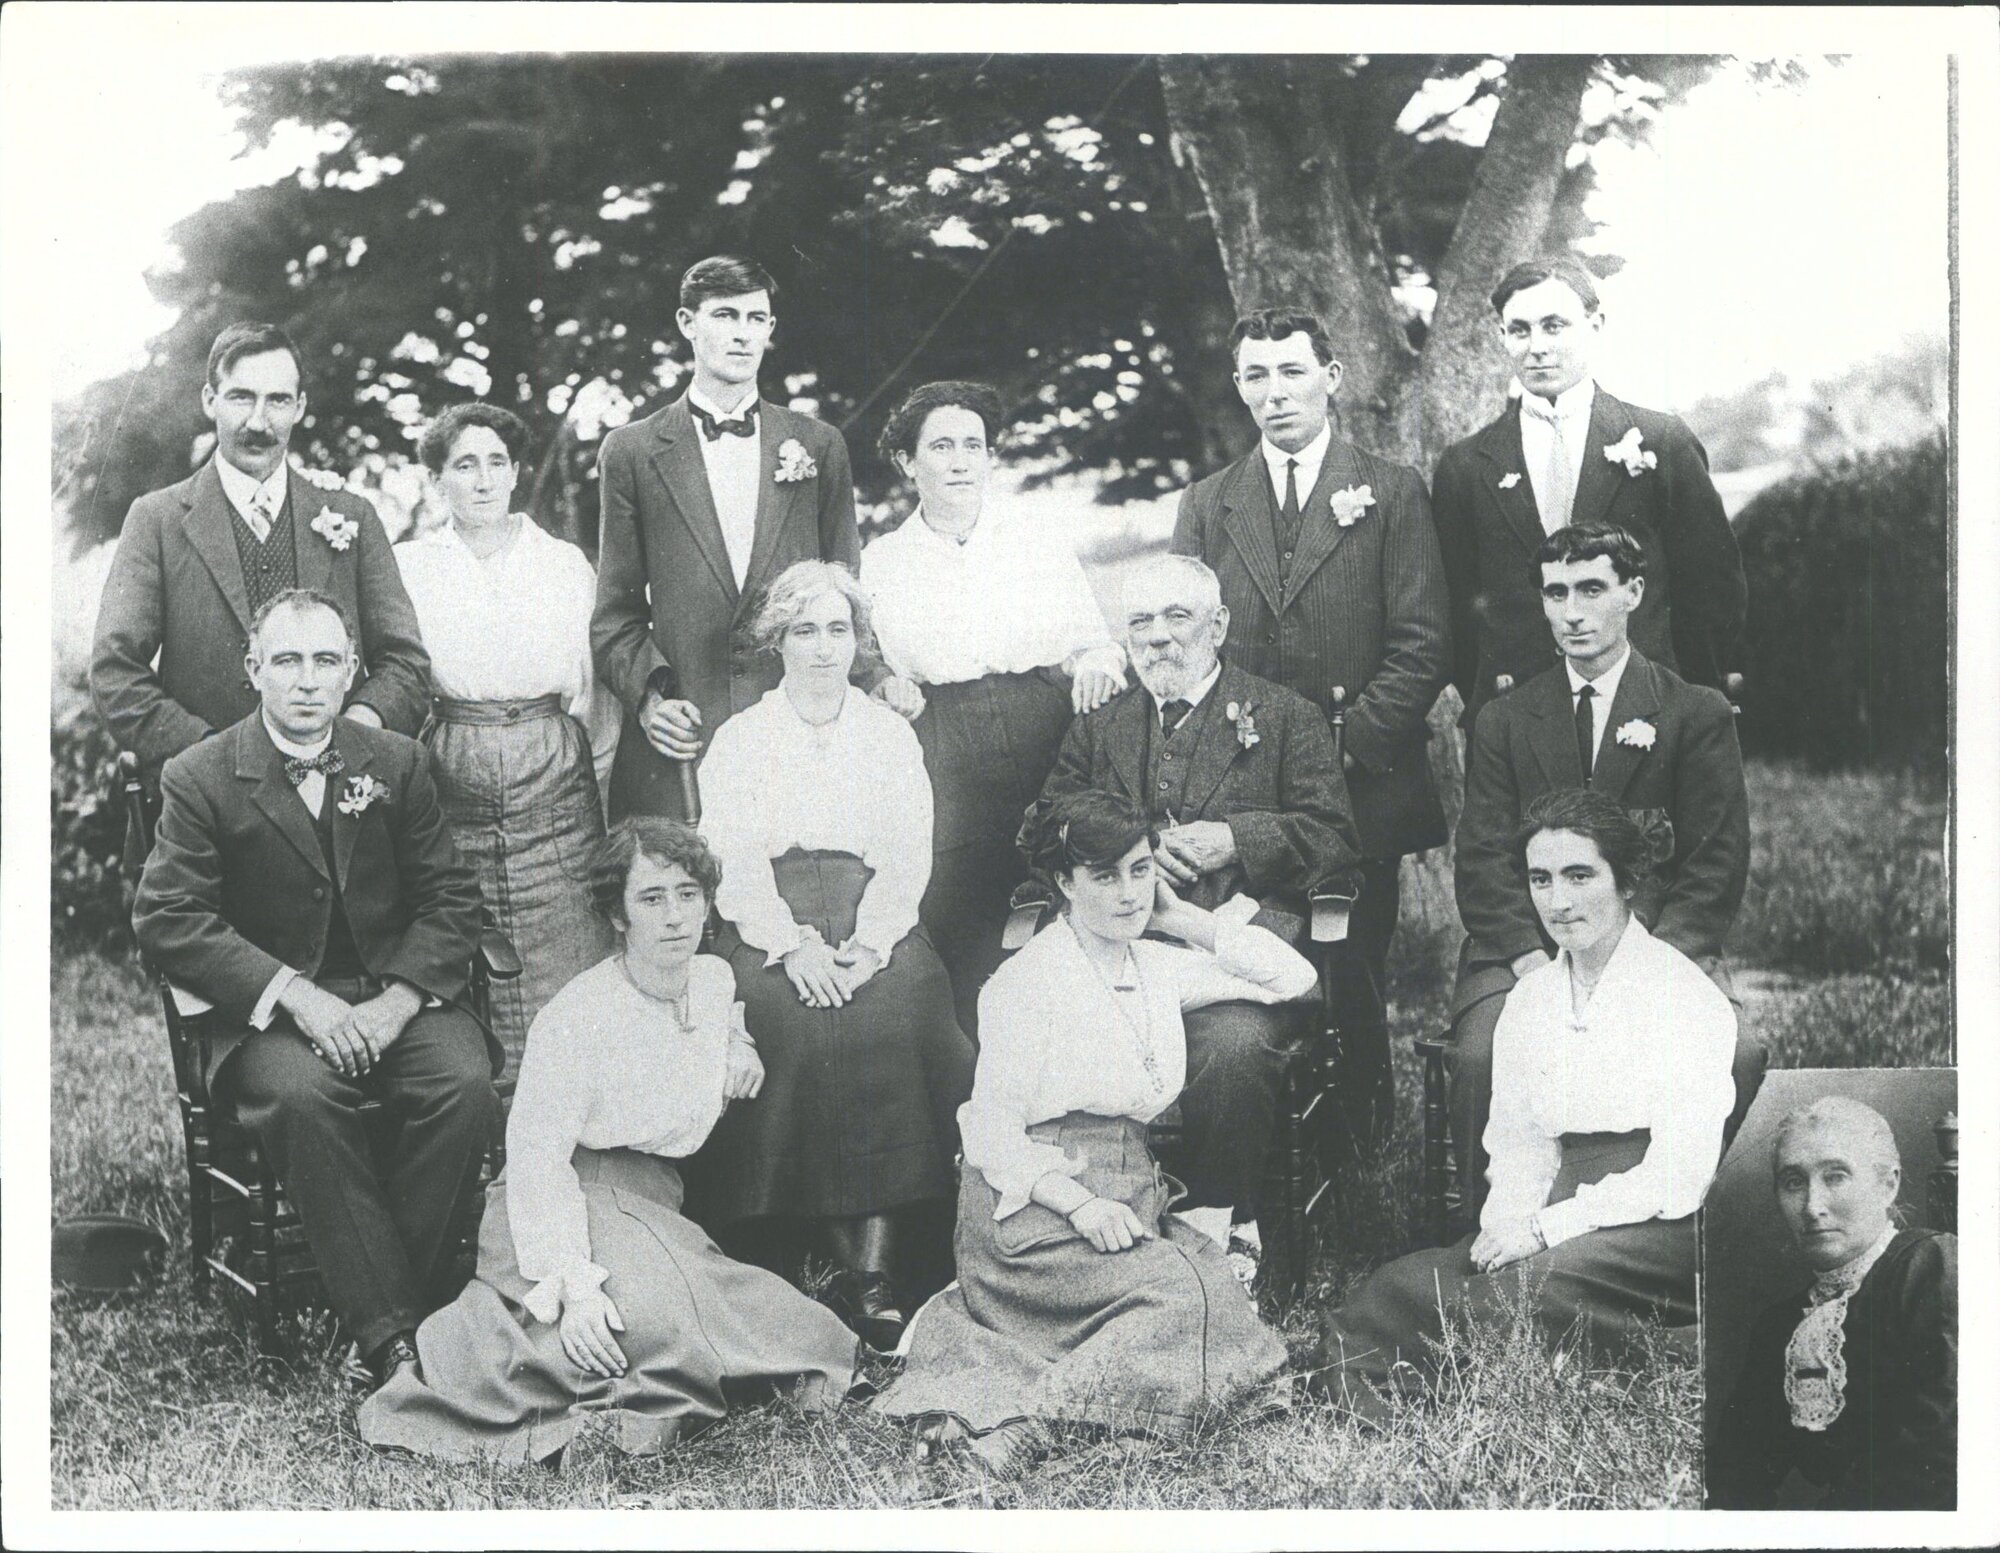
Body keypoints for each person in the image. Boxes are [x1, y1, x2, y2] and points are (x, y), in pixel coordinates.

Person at [358, 820, 862, 1464]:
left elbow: (718, 1018)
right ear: (618, 916)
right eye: (651, 898)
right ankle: (543, 1389)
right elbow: (538, 1160)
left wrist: (741, 1045)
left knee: (798, 1331)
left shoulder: (712, 979)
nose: (674, 916)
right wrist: (577, 1288)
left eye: (687, 894)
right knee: (636, 1325)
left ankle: (665, 1369)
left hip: (653, 1205)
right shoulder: (577, 1017)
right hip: (564, 1199)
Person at [876, 790, 1310, 1479]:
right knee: (1190, 1297)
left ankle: (1058, 1410)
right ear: (1065, 882)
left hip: (1126, 1192)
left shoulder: (1155, 965)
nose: (1129, 893)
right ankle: (1033, 1429)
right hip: (1033, 1204)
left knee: (1211, 1291)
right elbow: (989, 1130)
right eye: (1105, 876)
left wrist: (1183, 919)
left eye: (1140, 870)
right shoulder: (1026, 981)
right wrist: (1080, 1205)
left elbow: (1293, 977)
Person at [133, 588, 496, 1389]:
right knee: (305, 1098)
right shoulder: (200, 775)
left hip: (391, 992)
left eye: (326, 660)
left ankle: (395, 1303)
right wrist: (297, 995)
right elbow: (167, 914)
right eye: (288, 660)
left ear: (353, 671)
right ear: (252, 668)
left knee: (464, 1083)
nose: (307, 680)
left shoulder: (396, 762)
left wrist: (398, 1003)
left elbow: (451, 896)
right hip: (269, 1015)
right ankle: (394, 1339)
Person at [1313, 789, 1738, 1424]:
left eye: (1580, 875)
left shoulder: (1682, 993)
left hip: (1658, 1223)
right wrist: (1510, 1225)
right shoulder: (1531, 998)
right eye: (1541, 879)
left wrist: (1544, 1232)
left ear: (1627, 882)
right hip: (1556, 1206)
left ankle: (1641, 1353)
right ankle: (1503, 1359)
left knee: (1516, 1296)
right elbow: (1519, 1143)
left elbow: (1680, 1173)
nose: (1558, 901)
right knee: (1392, 1292)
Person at [1028, 552, 1359, 1271]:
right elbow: (1044, 825)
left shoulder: (1285, 716)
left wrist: (1237, 838)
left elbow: (1334, 841)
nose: (1158, 637)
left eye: (1177, 616)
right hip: (1123, 949)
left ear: (1219, 625)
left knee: (1230, 1047)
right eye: (1140, 622)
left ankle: (1219, 1224)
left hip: (1239, 954)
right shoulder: (1101, 727)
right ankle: (1094, 1225)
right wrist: (1137, 844)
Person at [1172, 306, 1450, 1142]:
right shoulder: (1209, 502)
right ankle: (1262, 1141)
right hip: (1242, 788)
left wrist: (1336, 752)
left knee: (1349, 963)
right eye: (1257, 375)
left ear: (1331, 377)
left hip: (1362, 785)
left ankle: (1361, 1150)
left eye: (1292, 371)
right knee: (1247, 959)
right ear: (1239, 386)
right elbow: (1185, 644)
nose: (1276, 392)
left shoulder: (1392, 490)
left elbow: (1422, 645)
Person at [688, 560, 976, 1351]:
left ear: (858, 640)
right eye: (805, 630)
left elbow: (908, 853)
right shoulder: (742, 739)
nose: (822, 647)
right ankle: (797, 1253)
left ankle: (878, 1267)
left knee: (897, 1010)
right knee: (784, 1017)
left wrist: (873, 943)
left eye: (838, 630)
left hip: (872, 913)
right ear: (777, 641)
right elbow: (730, 859)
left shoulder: (887, 734)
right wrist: (789, 945)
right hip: (769, 916)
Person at [1449, 522, 1750, 1207]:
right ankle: (1488, 1227)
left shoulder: (1693, 713)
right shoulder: (1504, 719)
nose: (1573, 613)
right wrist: (1533, 966)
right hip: (1528, 946)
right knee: (1481, 1053)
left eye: (1591, 589)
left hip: (1659, 944)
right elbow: (1484, 860)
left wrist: (1642, 973)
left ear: (1632, 592)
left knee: (1738, 1052)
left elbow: (1715, 863)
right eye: (1556, 593)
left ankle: (1696, 1224)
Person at [860, 379, 1127, 1033]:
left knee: (1065, 890)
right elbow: (870, 662)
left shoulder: (1033, 539)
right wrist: (886, 683)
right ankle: (984, 1076)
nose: (960, 462)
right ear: (907, 461)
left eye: (972, 446)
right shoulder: (883, 562)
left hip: (1044, 725)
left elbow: (1092, 639)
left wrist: (1097, 662)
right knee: (969, 916)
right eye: (941, 446)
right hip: (944, 741)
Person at [592, 255, 884, 822]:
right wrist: (650, 702)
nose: (742, 334)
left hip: (798, 729)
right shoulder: (631, 451)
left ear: (770, 328)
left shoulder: (818, 445)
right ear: (687, 322)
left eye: (756, 318)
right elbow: (615, 614)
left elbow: (847, 600)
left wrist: (872, 682)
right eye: (725, 315)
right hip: (687, 733)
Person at [92, 322, 431, 791]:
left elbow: (405, 662)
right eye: (241, 397)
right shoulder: (157, 520)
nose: (258, 422)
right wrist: (208, 756)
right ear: (210, 400)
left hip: (334, 801)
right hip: (204, 803)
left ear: (300, 407)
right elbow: (115, 670)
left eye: (277, 400)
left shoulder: (351, 516)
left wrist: (352, 736)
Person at [395, 403, 620, 1083]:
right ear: (438, 479)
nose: (484, 479)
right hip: (454, 772)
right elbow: (399, 680)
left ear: (518, 472)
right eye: (465, 465)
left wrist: (595, 789)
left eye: (497, 462)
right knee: (469, 941)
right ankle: (488, 1123)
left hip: (554, 780)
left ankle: (575, 1120)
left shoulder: (562, 564)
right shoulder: (410, 567)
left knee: (571, 941)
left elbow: (596, 695)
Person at [1432, 254, 1746, 729]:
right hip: (1516, 716)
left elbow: (1712, 587)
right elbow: (1456, 606)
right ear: (1502, 337)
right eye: (1520, 331)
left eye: (1554, 326)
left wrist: (1681, 697)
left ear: (1595, 325)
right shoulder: (1466, 465)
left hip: (1645, 710)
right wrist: (1495, 705)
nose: (1537, 347)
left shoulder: (1661, 442)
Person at [1708, 1098, 1957, 1510]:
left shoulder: (1933, 1268)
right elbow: (1734, 1473)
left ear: (1888, 1185)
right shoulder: (1782, 1326)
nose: (1811, 1207)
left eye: (1836, 1176)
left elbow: (1942, 1453)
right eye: (1793, 1182)